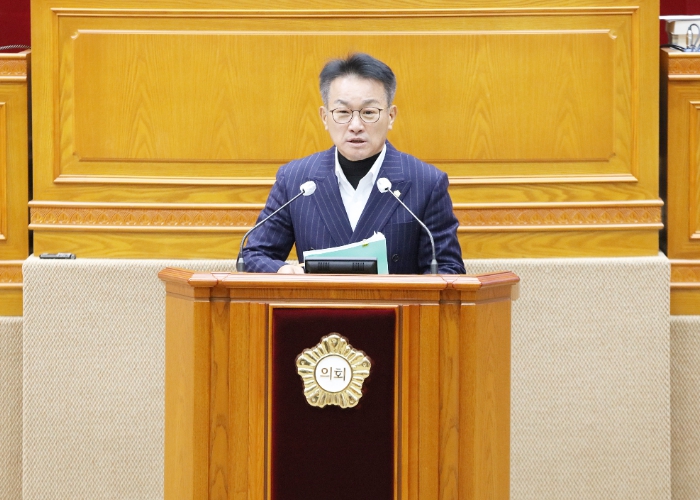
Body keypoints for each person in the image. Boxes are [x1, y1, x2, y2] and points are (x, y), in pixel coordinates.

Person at [243, 53, 465, 274]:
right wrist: (283, 271)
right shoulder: (296, 180)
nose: (356, 125)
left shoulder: (426, 182)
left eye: (369, 112)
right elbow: (254, 255)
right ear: (325, 117)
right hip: (318, 298)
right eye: (343, 112)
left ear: (391, 116)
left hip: (393, 299)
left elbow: (449, 269)